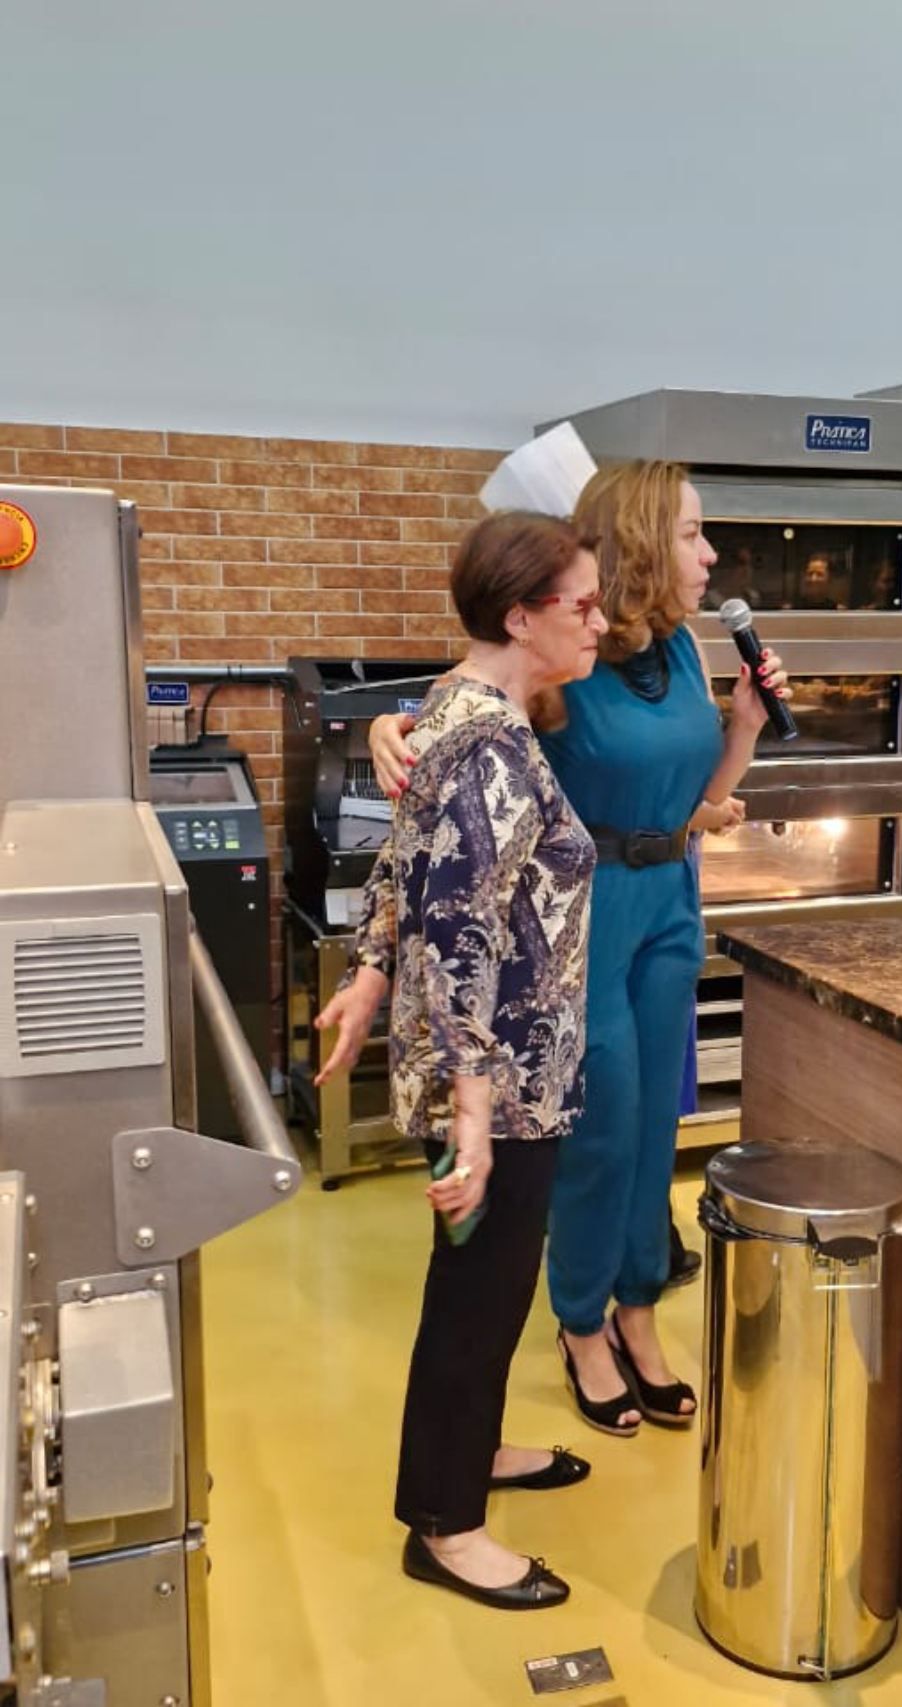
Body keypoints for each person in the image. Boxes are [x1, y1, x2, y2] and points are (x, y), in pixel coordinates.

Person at [371, 462, 786, 1439]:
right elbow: (468, 700)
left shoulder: (682, 651)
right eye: (691, 533)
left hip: (669, 894)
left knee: (656, 1127)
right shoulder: (566, 655)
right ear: (643, 539)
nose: (710, 553)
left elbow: (694, 793)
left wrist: (748, 727)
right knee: (601, 1124)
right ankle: (579, 1323)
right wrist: (396, 728)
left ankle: (637, 1313)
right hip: (579, 911)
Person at [315, 510, 607, 1610]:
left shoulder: (461, 709)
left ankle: (469, 1452)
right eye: (579, 605)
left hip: (502, 1067)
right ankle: (442, 1523)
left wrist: (365, 976)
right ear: (519, 614)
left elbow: (408, 869)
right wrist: (478, 1122)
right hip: (498, 1080)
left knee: (492, 1281)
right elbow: (463, 926)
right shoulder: (482, 735)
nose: (599, 620)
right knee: (478, 1289)